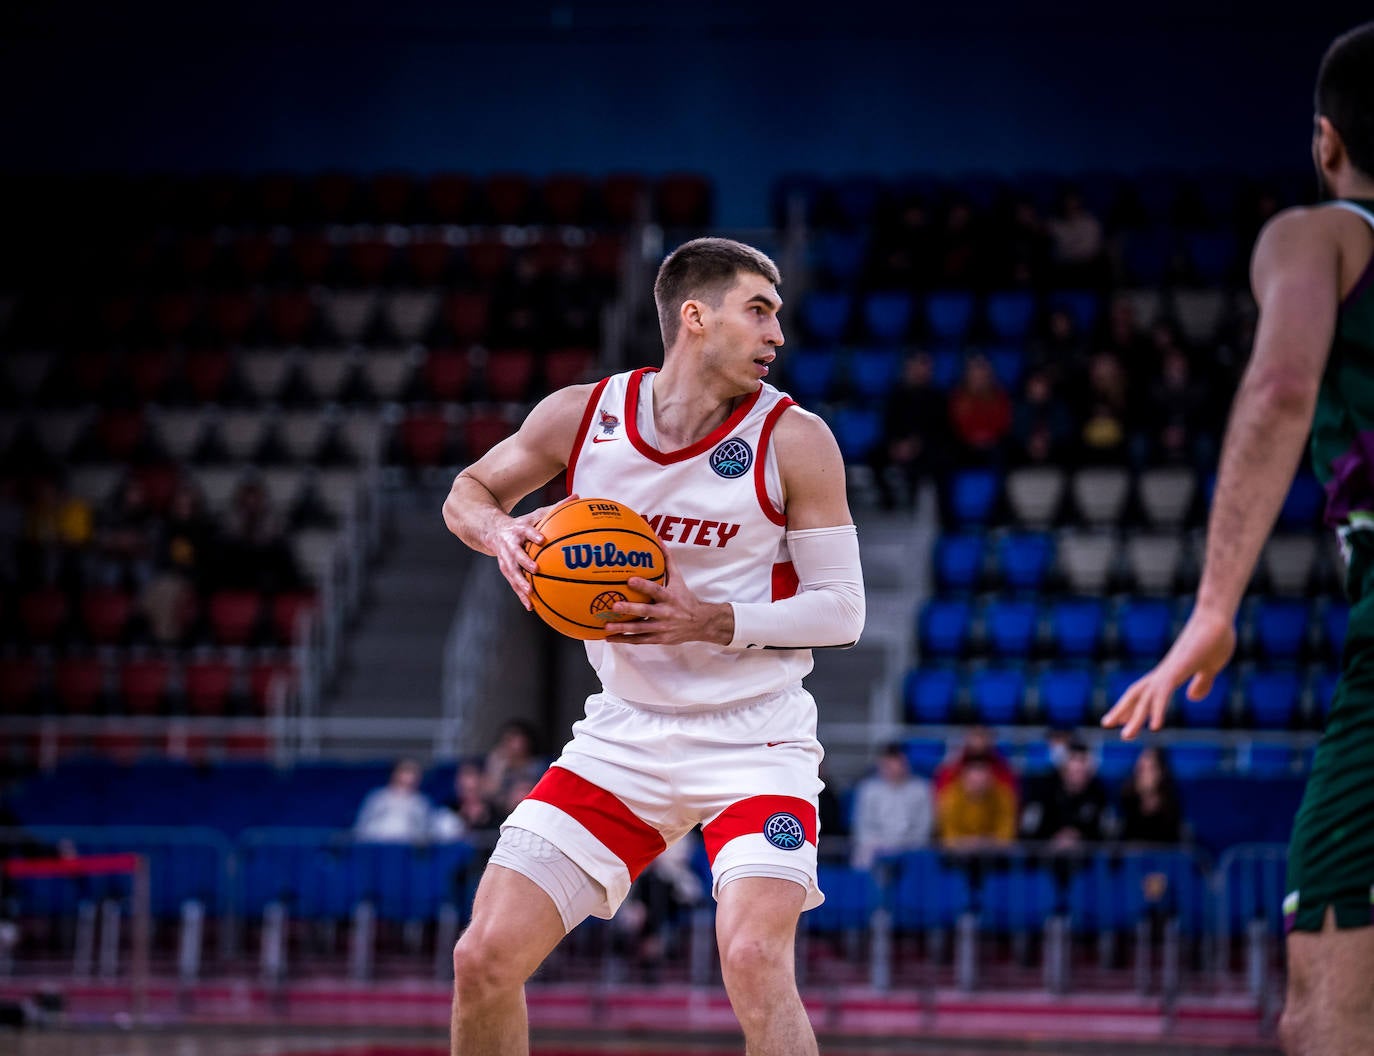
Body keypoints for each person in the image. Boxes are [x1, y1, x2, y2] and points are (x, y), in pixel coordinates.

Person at [442, 237, 864, 1055]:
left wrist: (712, 619)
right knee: (482, 958)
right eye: (760, 311)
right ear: (695, 318)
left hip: (756, 734)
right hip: (624, 734)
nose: (778, 333)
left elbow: (842, 611)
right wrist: (501, 532)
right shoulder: (584, 415)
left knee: (751, 956)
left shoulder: (795, 438)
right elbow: (468, 491)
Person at [1103, 24, 1374, 1055]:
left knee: (1330, 1015)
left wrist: (1214, 609)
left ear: (1326, 141)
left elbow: (1280, 386)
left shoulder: (1323, 233)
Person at [849, 743, 933, 870]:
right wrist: (882, 845)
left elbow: (924, 827)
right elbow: (862, 826)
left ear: (905, 763)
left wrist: (902, 845)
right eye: (887, 764)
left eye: (896, 763)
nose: (891, 768)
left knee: (922, 855)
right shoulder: (868, 789)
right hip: (877, 846)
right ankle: (868, 889)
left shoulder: (921, 789)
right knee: (863, 851)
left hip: (910, 846)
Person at [1019, 740, 1109, 849]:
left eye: (1082, 761)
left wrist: (1078, 837)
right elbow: (1029, 830)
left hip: (1086, 857)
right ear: (1063, 767)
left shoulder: (1098, 792)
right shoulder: (1043, 789)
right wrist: (1053, 838)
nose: (1078, 767)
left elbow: (1105, 833)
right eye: (1073, 760)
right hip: (1044, 855)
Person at [935, 751, 1017, 849]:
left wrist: (987, 842)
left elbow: (1006, 833)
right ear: (964, 777)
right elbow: (948, 835)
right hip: (958, 854)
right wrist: (966, 843)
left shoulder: (1004, 796)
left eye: (983, 780)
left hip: (994, 853)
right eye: (973, 781)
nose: (978, 785)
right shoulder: (950, 797)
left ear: (990, 777)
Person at [1116, 746, 1184, 845]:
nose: (1144, 775)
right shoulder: (1126, 796)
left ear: (1161, 772)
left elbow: (1171, 840)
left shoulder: (1171, 800)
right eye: (1141, 769)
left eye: (1150, 769)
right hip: (1132, 856)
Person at [354, 759, 432, 843]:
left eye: (414, 772)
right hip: (376, 848)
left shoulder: (421, 802)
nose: (409, 776)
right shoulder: (378, 797)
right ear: (395, 773)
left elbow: (426, 833)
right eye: (406, 770)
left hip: (406, 850)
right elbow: (361, 828)